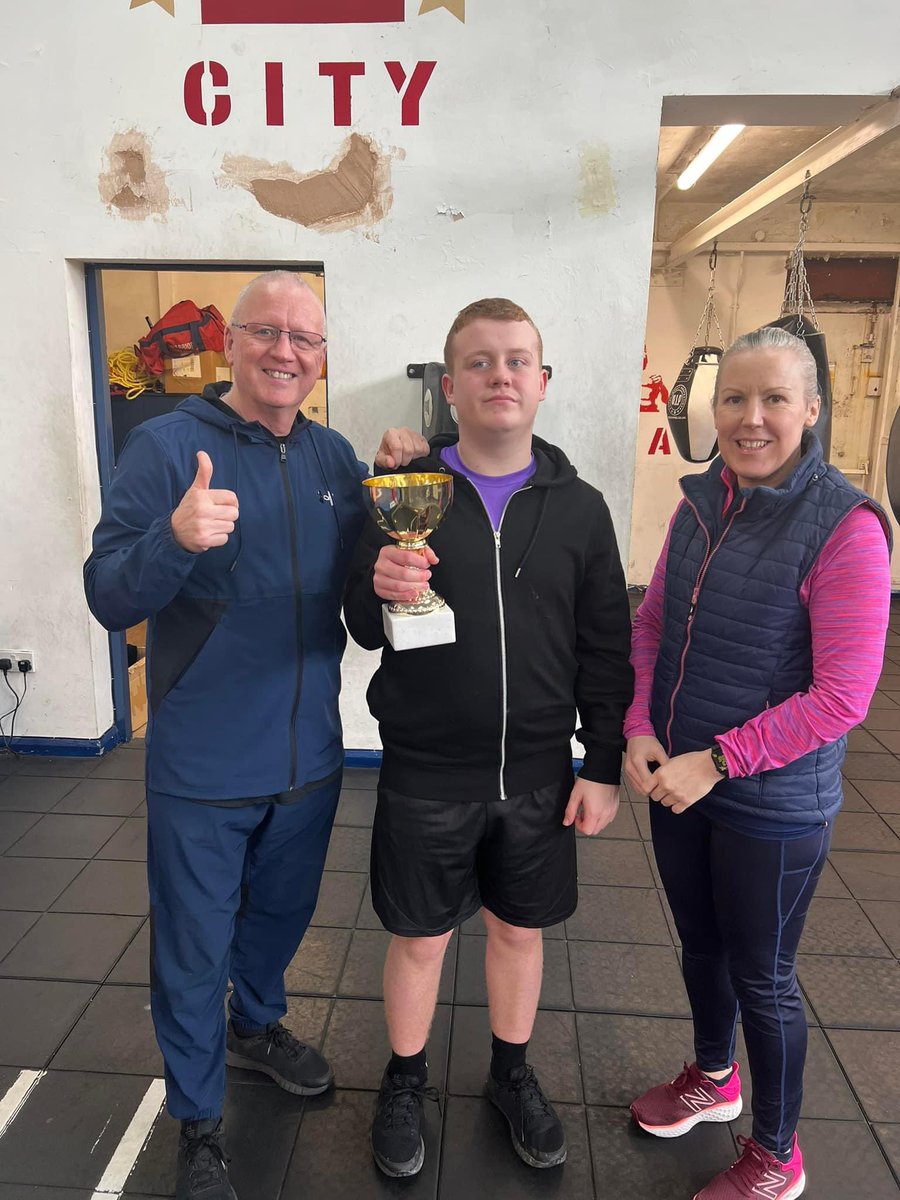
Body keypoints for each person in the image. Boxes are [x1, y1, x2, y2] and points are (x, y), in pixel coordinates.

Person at [83, 270, 427, 1200]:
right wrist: (175, 540)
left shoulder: (333, 458)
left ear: (321, 358)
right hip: (201, 762)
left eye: (304, 339)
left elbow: (361, 611)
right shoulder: (165, 448)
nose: (285, 352)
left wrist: (398, 517)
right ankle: (198, 1124)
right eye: (266, 332)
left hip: (308, 758)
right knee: (193, 952)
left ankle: (258, 1024)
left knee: (279, 920)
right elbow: (109, 593)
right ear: (231, 343)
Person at [343, 297, 634, 1178]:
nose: (500, 374)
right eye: (479, 362)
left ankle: (510, 1073)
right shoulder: (405, 494)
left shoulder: (580, 509)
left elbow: (605, 644)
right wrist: (383, 585)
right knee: (421, 939)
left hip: (542, 772)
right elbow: (359, 623)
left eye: (517, 360)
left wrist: (605, 764)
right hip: (428, 767)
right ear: (452, 387)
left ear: (542, 384)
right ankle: (404, 1079)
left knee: (518, 931)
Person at [624, 326, 892, 1200]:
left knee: (763, 978)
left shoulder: (847, 528)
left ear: (812, 410)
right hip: (679, 780)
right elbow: (654, 623)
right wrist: (638, 726)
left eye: (774, 399)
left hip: (772, 804)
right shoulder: (700, 502)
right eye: (734, 398)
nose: (750, 418)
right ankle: (715, 1078)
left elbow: (841, 697)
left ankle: (778, 1156)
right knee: (700, 944)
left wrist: (719, 760)